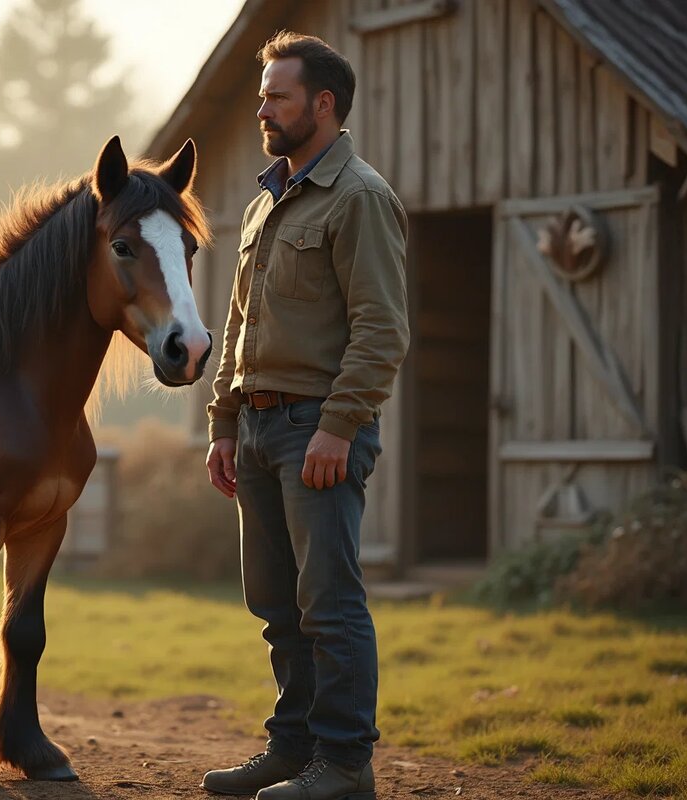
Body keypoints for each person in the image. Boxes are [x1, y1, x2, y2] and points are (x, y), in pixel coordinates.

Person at [200, 30, 409, 800]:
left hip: (316, 429)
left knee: (330, 603)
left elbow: (382, 330)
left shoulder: (359, 198)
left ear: (322, 104)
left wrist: (339, 424)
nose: (262, 107)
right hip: (255, 430)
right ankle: (292, 750)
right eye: (261, 95)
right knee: (276, 605)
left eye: (276, 95)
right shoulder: (265, 201)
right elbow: (237, 323)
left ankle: (346, 765)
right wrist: (222, 423)